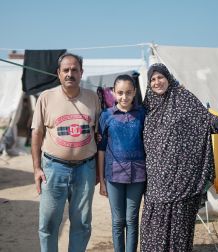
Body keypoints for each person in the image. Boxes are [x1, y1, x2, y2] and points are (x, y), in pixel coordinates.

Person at [140, 63, 218, 252]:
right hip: (156, 181)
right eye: (152, 79)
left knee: (180, 228)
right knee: (154, 228)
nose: (156, 82)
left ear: (168, 78)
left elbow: (205, 119)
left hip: (182, 180)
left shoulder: (183, 98)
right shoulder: (147, 106)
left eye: (160, 77)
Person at [31, 53, 100, 252]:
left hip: (85, 169)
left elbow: (99, 135)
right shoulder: (46, 97)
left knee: (82, 224)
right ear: (58, 74)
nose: (70, 74)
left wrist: (98, 170)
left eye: (74, 70)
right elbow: (37, 134)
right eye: (66, 70)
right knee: (48, 224)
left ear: (81, 73)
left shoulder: (92, 97)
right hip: (53, 169)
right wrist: (36, 168)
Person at [98, 74, 146, 252]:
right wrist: (102, 180)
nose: (124, 97)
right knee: (118, 221)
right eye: (120, 93)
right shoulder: (106, 115)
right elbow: (101, 148)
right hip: (113, 175)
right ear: (113, 92)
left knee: (132, 219)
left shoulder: (142, 114)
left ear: (134, 93)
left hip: (138, 174)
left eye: (128, 93)